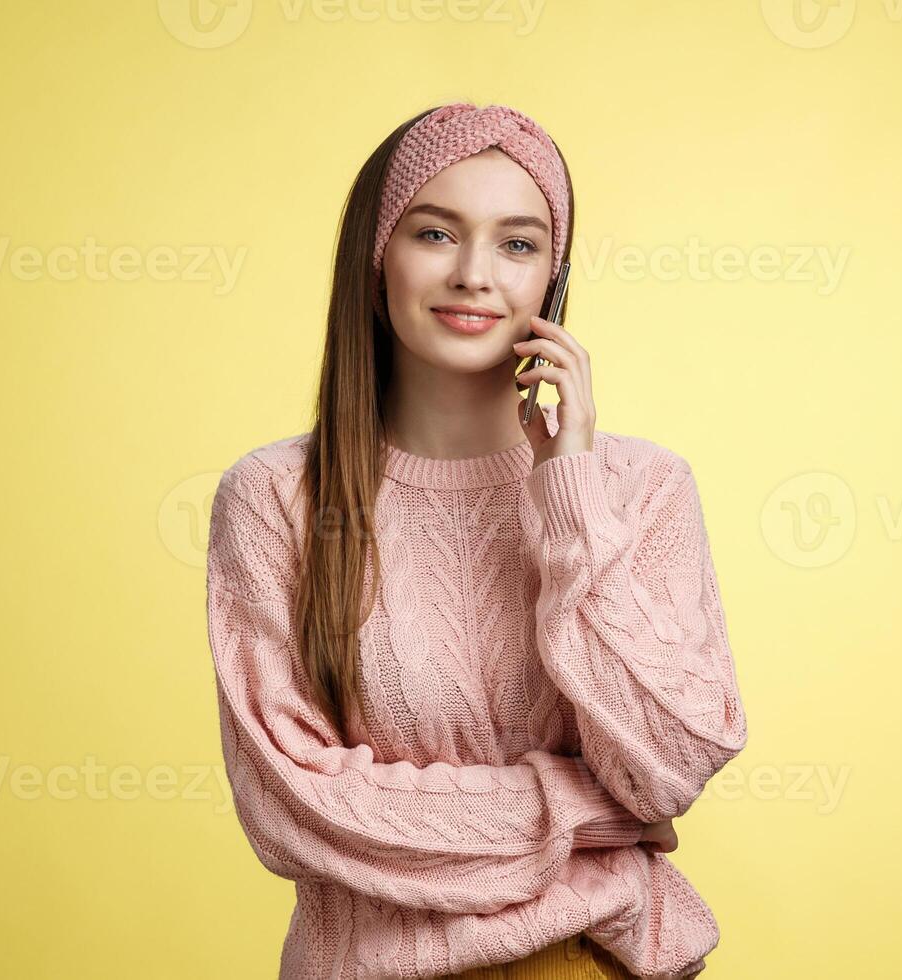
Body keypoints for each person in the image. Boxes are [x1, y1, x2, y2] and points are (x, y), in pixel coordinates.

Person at [205, 102, 749, 979]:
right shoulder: (276, 498)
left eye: (518, 243)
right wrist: (583, 810)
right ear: (376, 257)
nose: (473, 274)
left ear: (552, 279)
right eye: (434, 233)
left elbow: (665, 770)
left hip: (588, 963)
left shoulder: (640, 489)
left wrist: (567, 489)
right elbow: (291, 805)